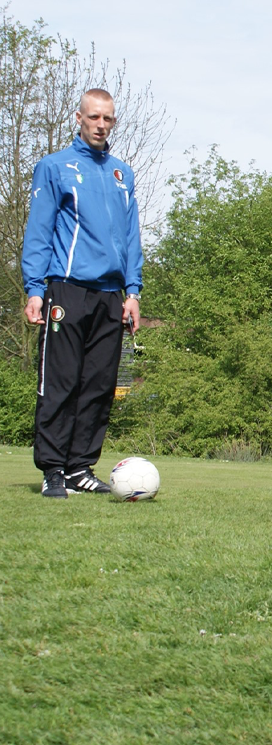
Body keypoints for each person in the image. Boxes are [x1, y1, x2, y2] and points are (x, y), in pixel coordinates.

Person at [21, 88, 143, 499]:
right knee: (60, 382)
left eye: (108, 119)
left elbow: (131, 239)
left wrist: (133, 291)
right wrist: (34, 289)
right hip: (67, 291)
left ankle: (80, 467)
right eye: (94, 117)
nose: (101, 125)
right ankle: (53, 469)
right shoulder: (55, 167)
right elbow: (38, 232)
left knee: (98, 385)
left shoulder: (122, 174)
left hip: (111, 296)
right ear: (79, 117)